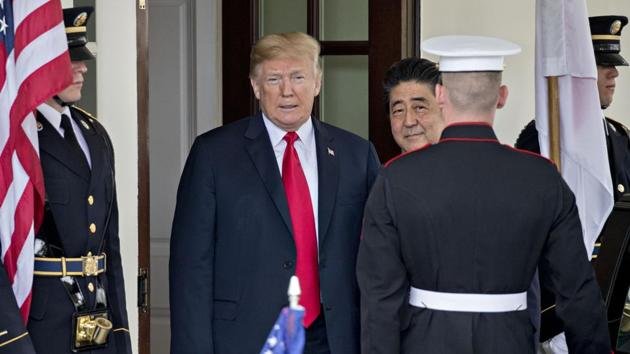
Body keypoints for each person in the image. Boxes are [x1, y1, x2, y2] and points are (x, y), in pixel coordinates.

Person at [356, 35, 610, 354]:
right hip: (511, 340)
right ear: (502, 96)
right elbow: (577, 293)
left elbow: (380, 297)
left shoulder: (396, 177)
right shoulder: (541, 175)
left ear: (440, 95)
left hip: (426, 342)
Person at [169, 32, 380, 354]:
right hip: (245, 336)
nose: (287, 91)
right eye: (274, 79)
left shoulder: (357, 155)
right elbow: (190, 266)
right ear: (256, 87)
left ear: (318, 82)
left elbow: (378, 257)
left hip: (334, 337)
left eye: (298, 77)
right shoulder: (214, 154)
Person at [24, 7, 131, 354]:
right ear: (43, 66)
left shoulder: (94, 133)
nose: (83, 67)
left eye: (82, 59)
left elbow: (109, 247)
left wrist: (121, 331)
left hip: (97, 319)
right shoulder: (19, 139)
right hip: (42, 325)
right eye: (71, 60)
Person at [516, 15, 630, 201]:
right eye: (602, 64)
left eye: (614, 65)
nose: (615, 73)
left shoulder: (619, 135)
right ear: (577, 72)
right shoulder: (544, 134)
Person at [383, 57, 445, 152]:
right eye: (399, 110)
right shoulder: (390, 167)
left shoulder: (470, 164)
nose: (409, 122)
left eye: (420, 108)